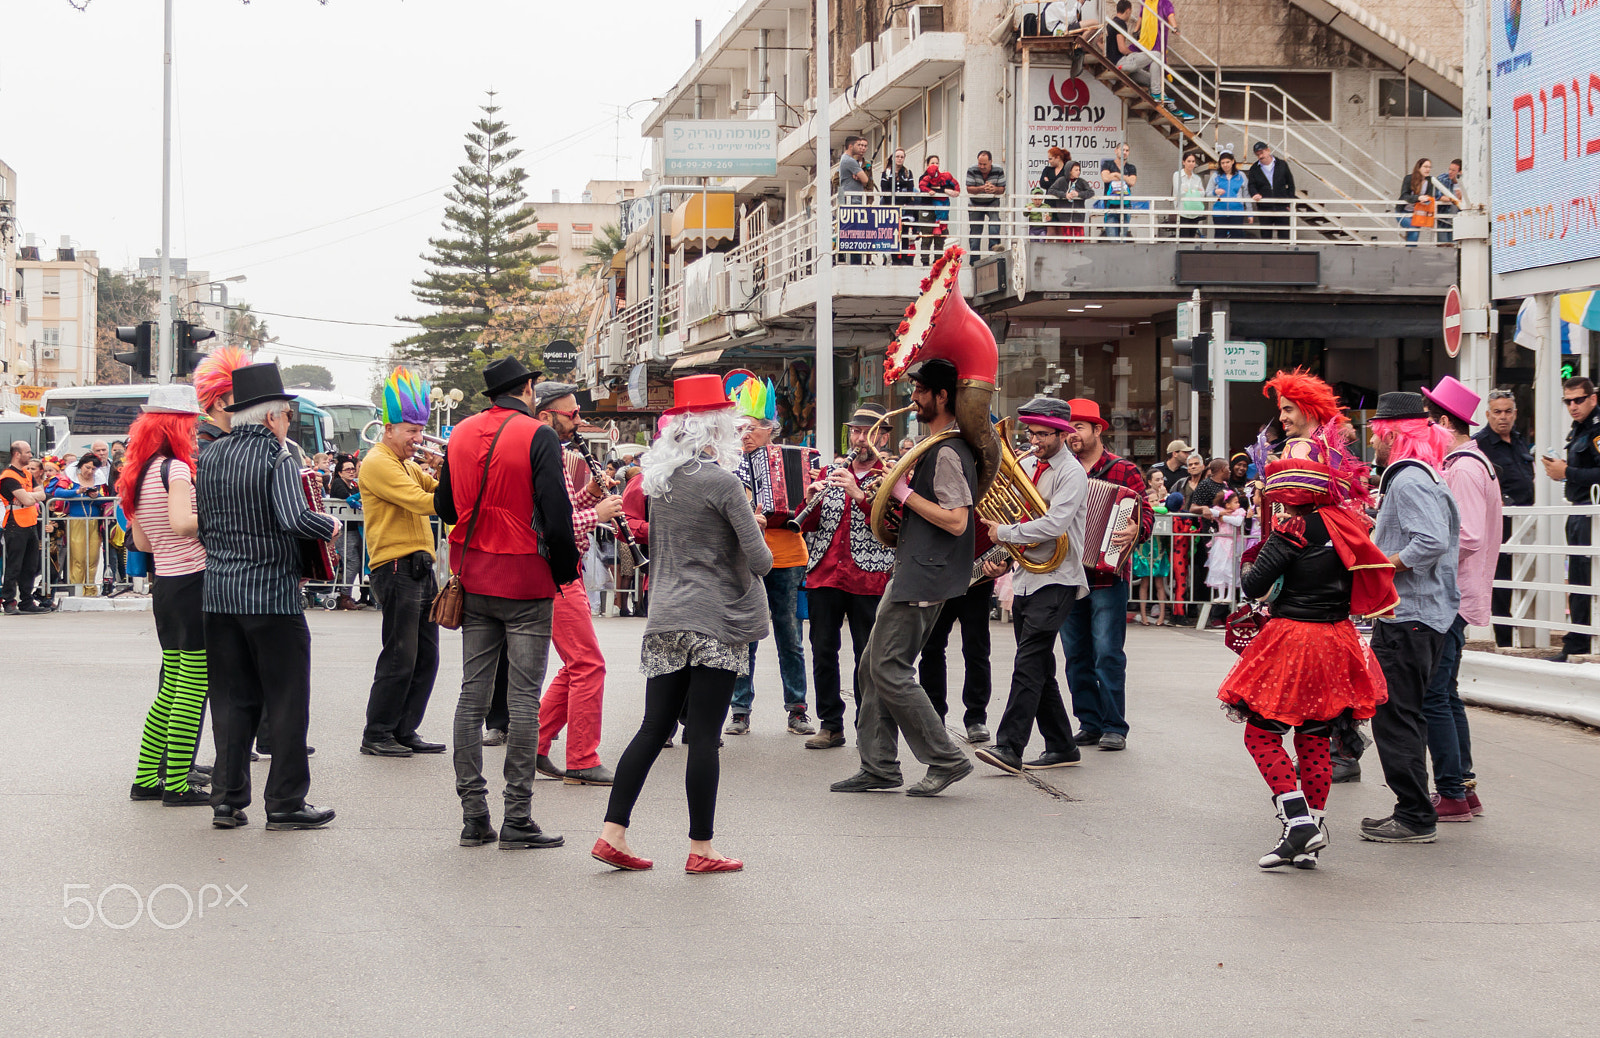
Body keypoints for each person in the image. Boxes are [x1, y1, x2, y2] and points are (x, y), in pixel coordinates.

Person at [592, 374, 768, 874]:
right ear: (715, 429)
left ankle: (613, 832)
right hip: (714, 618)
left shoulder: (658, 482)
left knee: (653, 728)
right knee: (706, 735)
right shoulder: (723, 482)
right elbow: (760, 561)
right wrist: (748, 527)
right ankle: (701, 848)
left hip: (666, 615)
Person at [1217, 457, 1395, 869]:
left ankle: (1298, 823)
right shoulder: (1349, 523)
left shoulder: (1291, 531)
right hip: (1338, 639)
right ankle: (1308, 835)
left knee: (1261, 737)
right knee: (1314, 739)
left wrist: (1277, 545)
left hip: (1295, 640)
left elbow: (1253, 585)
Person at [432, 356, 579, 850]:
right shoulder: (537, 435)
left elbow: (446, 507)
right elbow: (556, 514)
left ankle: (474, 814)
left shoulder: (460, 433)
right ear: (529, 388)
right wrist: (563, 570)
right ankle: (518, 817)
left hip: (473, 573)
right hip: (525, 580)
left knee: (471, 695)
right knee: (522, 700)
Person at [197, 363, 342, 832]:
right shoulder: (277, 458)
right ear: (271, 417)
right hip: (271, 596)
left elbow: (203, 526)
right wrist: (331, 525)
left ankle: (226, 799)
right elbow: (294, 519)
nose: (286, 423)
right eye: (285, 416)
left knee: (231, 701)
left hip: (219, 596)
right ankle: (284, 802)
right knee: (285, 701)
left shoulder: (212, 456)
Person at [831, 358, 977, 797]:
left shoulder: (948, 450)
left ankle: (946, 757)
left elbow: (956, 521)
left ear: (942, 396)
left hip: (925, 575)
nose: (912, 399)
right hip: (915, 567)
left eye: (920, 391)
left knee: (888, 668)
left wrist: (902, 493)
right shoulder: (936, 446)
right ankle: (878, 766)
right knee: (872, 668)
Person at [974, 397, 1089, 776]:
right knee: (1040, 667)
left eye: (1043, 434)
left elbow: (1054, 525)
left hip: (1058, 579)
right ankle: (1061, 744)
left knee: (1028, 663)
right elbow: (1016, 513)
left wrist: (1005, 532)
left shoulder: (1072, 473)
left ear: (1062, 434)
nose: (1034, 440)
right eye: (1031, 432)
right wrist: (1002, 552)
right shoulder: (1025, 464)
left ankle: (1010, 746)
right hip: (1026, 577)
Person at [1363, 392, 1460, 844]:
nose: (1372, 440)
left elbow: (1430, 541)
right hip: (1421, 614)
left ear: (1393, 434)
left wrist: (1383, 564)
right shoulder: (1425, 476)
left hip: (1410, 616)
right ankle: (1414, 810)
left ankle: (1414, 815)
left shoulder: (1408, 480)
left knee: (1394, 715)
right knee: (1405, 713)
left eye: (1378, 433)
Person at [123, 385, 211, 807]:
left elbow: (141, 541)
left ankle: (146, 778)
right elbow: (181, 524)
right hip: (193, 581)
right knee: (192, 688)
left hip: (166, 587)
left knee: (172, 685)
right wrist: (218, 515)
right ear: (178, 426)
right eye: (191, 426)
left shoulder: (139, 473)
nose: (194, 435)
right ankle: (176, 783)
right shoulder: (176, 469)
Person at [531, 380, 623, 786]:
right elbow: (554, 527)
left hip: (566, 569)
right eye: (573, 414)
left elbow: (567, 509)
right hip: (555, 571)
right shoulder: (542, 455)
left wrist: (589, 494)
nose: (579, 421)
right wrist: (599, 513)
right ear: (546, 415)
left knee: (576, 665)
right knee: (588, 665)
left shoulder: (557, 454)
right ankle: (582, 759)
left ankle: (533, 744)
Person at [357, 368, 446, 759]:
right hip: (394, 565)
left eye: (421, 430)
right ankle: (377, 732)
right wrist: (449, 488)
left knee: (426, 655)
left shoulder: (408, 463)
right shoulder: (378, 462)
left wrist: (448, 470)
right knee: (400, 654)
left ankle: (404, 729)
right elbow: (424, 501)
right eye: (411, 430)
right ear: (388, 428)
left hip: (419, 566)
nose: (419, 439)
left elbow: (440, 491)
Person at [1421, 376, 1499, 822]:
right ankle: (1462, 787)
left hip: (1452, 593)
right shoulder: (1474, 463)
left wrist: (1419, 554)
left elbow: (1465, 535)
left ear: (1446, 423)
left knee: (1435, 695)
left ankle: (1451, 791)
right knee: (1445, 693)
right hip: (1460, 591)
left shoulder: (1464, 468)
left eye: (1432, 420)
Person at [797, 403, 895, 749]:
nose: (860, 439)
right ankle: (830, 723)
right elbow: (808, 524)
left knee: (867, 655)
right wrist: (809, 501)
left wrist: (860, 495)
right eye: (855, 431)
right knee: (822, 649)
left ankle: (866, 725)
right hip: (825, 573)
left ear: (882, 436)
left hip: (868, 576)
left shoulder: (893, 476)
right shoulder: (830, 471)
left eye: (868, 432)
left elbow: (894, 526)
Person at [1061, 398, 1150, 750]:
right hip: (1067, 574)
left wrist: (1135, 530)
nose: (1073, 436)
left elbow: (1145, 518)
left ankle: (1114, 725)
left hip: (1107, 576)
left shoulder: (1124, 470)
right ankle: (1089, 722)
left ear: (1098, 429)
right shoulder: (1061, 470)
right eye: (1069, 429)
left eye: (1079, 427)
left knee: (1107, 652)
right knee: (1075, 654)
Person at [728, 378, 814, 737]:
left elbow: (808, 510)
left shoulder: (795, 459)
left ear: (769, 431)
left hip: (787, 555)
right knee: (743, 636)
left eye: (750, 429)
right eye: (739, 429)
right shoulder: (729, 464)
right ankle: (739, 710)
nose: (744, 436)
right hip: (745, 556)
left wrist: (810, 497)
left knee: (789, 634)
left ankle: (796, 709)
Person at [1540, 376, 1600, 660]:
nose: (1573, 406)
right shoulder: (1579, 429)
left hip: (1592, 512)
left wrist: (1567, 473)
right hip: (1580, 510)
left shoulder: (1597, 430)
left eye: (1578, 400)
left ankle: (1578, 643)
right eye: (1568, 401)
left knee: (1585, 578)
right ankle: (1577, 640)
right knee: (1577, 579)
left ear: (1593, 399)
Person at [1474, 389, 1534, 647]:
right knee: (1501, 582)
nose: (1503, 417)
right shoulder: (1480, 444)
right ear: (1488, 414)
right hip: (1500, 523)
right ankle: (1505, 640)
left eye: (1508, 411)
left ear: (1515, 413)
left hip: (1527, 522)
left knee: (1528, 577)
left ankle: (1526, 636)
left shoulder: (1519, 440)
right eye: (1497, 412)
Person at [2, 440, 52, 614]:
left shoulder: (26, 474)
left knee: (30, 565)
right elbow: (29, 500)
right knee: (14, 565)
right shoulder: (8, 476)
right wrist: (31, 496)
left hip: (30, 522)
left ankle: (26, 601)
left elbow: (42, 494)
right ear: (17, 454)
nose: (31, 456)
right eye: (28, 452)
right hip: (15, 523)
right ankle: (9, 601)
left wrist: (29, 496)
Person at [51, 455, 107, 597]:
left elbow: (104, 501)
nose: (89, 471)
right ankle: (77, 590)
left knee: (93, 557)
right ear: (80, 466)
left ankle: (91, 589)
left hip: (94, 522)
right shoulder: (70, 478)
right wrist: (77, 491)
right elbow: (58, 493)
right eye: (87, 467)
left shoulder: (99, 482)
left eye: (93, 469)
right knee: (77, 557)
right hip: (76, 522)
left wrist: (96, 497)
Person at [193, 346, 252, 450]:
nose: (247, 404)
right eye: (240, 397)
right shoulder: (201, 445)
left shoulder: (239, 440)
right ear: (219, 404)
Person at [326, 455, 366, 611]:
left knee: (357, 562)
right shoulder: (338, 484)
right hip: (343, 531)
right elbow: (346, 498)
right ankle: (344, 596)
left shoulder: (354, 486)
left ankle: (354, 594)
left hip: (354, 529)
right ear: (340, 472)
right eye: (347, 469)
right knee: (353, 562)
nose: (351, 472)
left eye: (353, 469)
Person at [1133, 469, 1171, 624]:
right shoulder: (1143, 511)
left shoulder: (1161, 510)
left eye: (1156, 500)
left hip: (1158, 551)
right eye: (1152, 501)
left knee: (1159, 584)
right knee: (1144, 583)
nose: (1155, 503)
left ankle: (1161, 616)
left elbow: (1164, 508)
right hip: (1144, 550)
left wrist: (1160, 501)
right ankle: (1143, 615)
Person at [1247, 141, 1296, 241]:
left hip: (1282, 205)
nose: (1260, 156)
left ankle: (1285, 255)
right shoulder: (1254, 169)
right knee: (1266, 235)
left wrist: (1289, 201)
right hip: (1264, 206)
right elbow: (1251, 185)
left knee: (1284, 235)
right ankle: (1266, 255)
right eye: (1257, 154)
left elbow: (1291, 184)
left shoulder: (1282, 165)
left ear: (1268, 150)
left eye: (1262, 152)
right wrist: (1255, 194)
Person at [918, 155, 962, 262]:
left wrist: (943, 190)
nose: (935, 165)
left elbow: (953, 188)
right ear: (927, 165)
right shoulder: (923, 177)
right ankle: (925, 262)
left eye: (937, 163)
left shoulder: (944, 177)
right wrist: (945, 190)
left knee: (940, 239)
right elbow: (925, 188)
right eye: (932, 163)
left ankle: (937, 262)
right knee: (926, 239)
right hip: (927, 211)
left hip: (942, 211)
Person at [880, 148, 918, 266]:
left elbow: (911, 189)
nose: (900, 159)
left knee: (905, 232)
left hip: (904, 205)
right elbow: (884, 189)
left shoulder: (907, 172)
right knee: (894, 233)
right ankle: (895, 258)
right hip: (891, 206)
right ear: (893, 158)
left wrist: (907, 202)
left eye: (902, 157)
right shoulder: (886, 173)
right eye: (897, 156)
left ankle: (905, 257)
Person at [965, 151, 1007, 255]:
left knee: (995, 220)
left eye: (984, 164)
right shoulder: (972, 170)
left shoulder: (999, 170)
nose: (982, 167)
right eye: (980, 164)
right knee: (975, 231)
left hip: (992, 201)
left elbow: (1002, 189)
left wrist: (994, 189)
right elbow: (969, 189)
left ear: (991, 162)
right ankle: (974, 259)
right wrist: (982, 188)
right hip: (975, 202)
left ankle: (993, 246)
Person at [1047, 160, 1095, 240]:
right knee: (1067, 240)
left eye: (1079, 170)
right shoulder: (1061, 181)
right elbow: (1051, 190)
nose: (1078, 172)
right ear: (1069, 171)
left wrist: (1078, 194)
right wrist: (1064, 195)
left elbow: (1091, 192)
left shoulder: (1081, 182)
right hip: (1065, 217)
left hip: (1078, 217)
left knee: (1079, 239)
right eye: (1076, 170)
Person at [1209, 148, 1251, 239]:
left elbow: (1247, 195)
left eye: (1227, 162)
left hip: (1237, 212)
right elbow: (1207, 193)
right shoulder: (1216, 176)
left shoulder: (1241, 176)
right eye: (1222, 163)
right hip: (1219, 213)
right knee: (1219, 238)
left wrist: (1250, 213)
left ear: (1232, 161)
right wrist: (1214, 192)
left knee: (1237, 238)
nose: (1225, 165)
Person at [1101, 143, 1137, 239]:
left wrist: (1116, 175)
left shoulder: (1131, 167)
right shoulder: (1107, 164)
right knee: (1112, 238)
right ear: (1116, 151)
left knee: (1123, 238)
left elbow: (1132, 182)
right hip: (1110, 206)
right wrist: (1124, 177)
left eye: (1127, 150)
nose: (1124, 152)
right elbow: (1105, 178)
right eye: (1122, 150)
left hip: (1126, 206)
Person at [1396, 158, 1436, 246]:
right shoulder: (1409, 178)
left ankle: (1410, 252)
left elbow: (1429, 196)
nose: (1428, 169)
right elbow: (1404, 195)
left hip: (1418, 212)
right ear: (1419, 168)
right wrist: (1418, 198)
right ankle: (1410, 252)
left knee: (1415, 233)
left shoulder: (1430, 181)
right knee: (1413, 229)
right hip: (1403, 211)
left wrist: (1426, 200)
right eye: (1425, 167)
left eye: (1430, 167)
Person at [1173, 150, 1207, 239]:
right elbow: (1179, 191)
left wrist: (1189, 191)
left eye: (1193, 161)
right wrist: (1195, 191)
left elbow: (1202, 193)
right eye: (1188, 161)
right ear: (1183, 162)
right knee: (1184, 237)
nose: (1191, 164)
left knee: (1192, 237)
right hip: (1182, 211)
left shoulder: (1197, 178)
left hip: (1194, 211)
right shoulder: (1177, 175)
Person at [1436, 159, 1463, 243]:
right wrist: (1453, 199)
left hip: (1458, 220)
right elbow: (1437, 195)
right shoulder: (1443, 179)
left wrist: (1461, 196)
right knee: (1444, 245)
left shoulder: (1466, 181)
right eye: (1449, 169)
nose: (1450, 172)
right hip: (1443, 219)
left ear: (1460, 172)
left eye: (1453, 170)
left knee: (1456, 246)